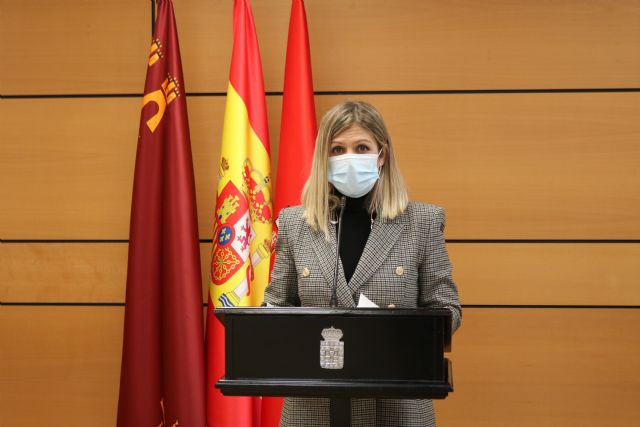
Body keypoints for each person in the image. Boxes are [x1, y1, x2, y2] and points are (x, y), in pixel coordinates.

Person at [264, 100, 461, 427]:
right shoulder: (295, 224)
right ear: (323, 158)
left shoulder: (422, 222)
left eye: (361, 148)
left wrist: (397, 334)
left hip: (396, 406)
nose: (349, 158)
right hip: (314, 408)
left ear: (381, 155)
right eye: (337, 150)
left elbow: (447, 309)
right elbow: (277, 305)